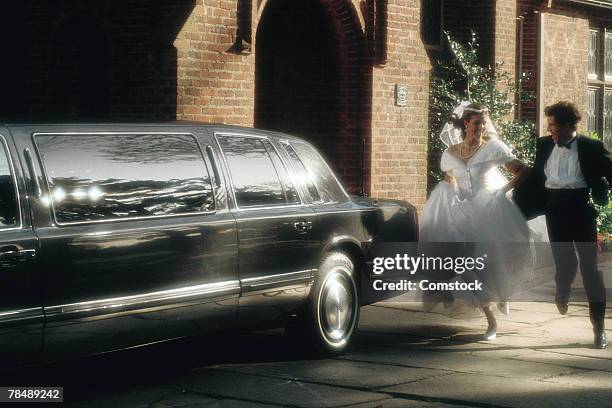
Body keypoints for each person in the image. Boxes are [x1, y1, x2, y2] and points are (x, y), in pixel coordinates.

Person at [420, 101, 547, 340]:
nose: (481, 128)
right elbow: (451, 178)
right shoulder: (451, 153)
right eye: (477, 123)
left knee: (490, 263)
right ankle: (489, 317)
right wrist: (452, 194)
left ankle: (498, 302)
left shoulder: (493, 148)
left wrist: (502, 191)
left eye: (484, 123)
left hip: (490, 211)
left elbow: (523, 170)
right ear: (466, 123)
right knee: (463, 264)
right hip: (461, 213)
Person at [514, 101, 611, 349]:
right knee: (565, 264)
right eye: (550, 128)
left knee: (590, 270)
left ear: (569, 126)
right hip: (554, 210)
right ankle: (562, 288)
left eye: (555, 127)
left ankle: (599, 329)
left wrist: (602, 193)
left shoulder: (591, 147)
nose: (551, 132)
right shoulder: (544, 145)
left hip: (581, 210)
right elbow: (536, 177)